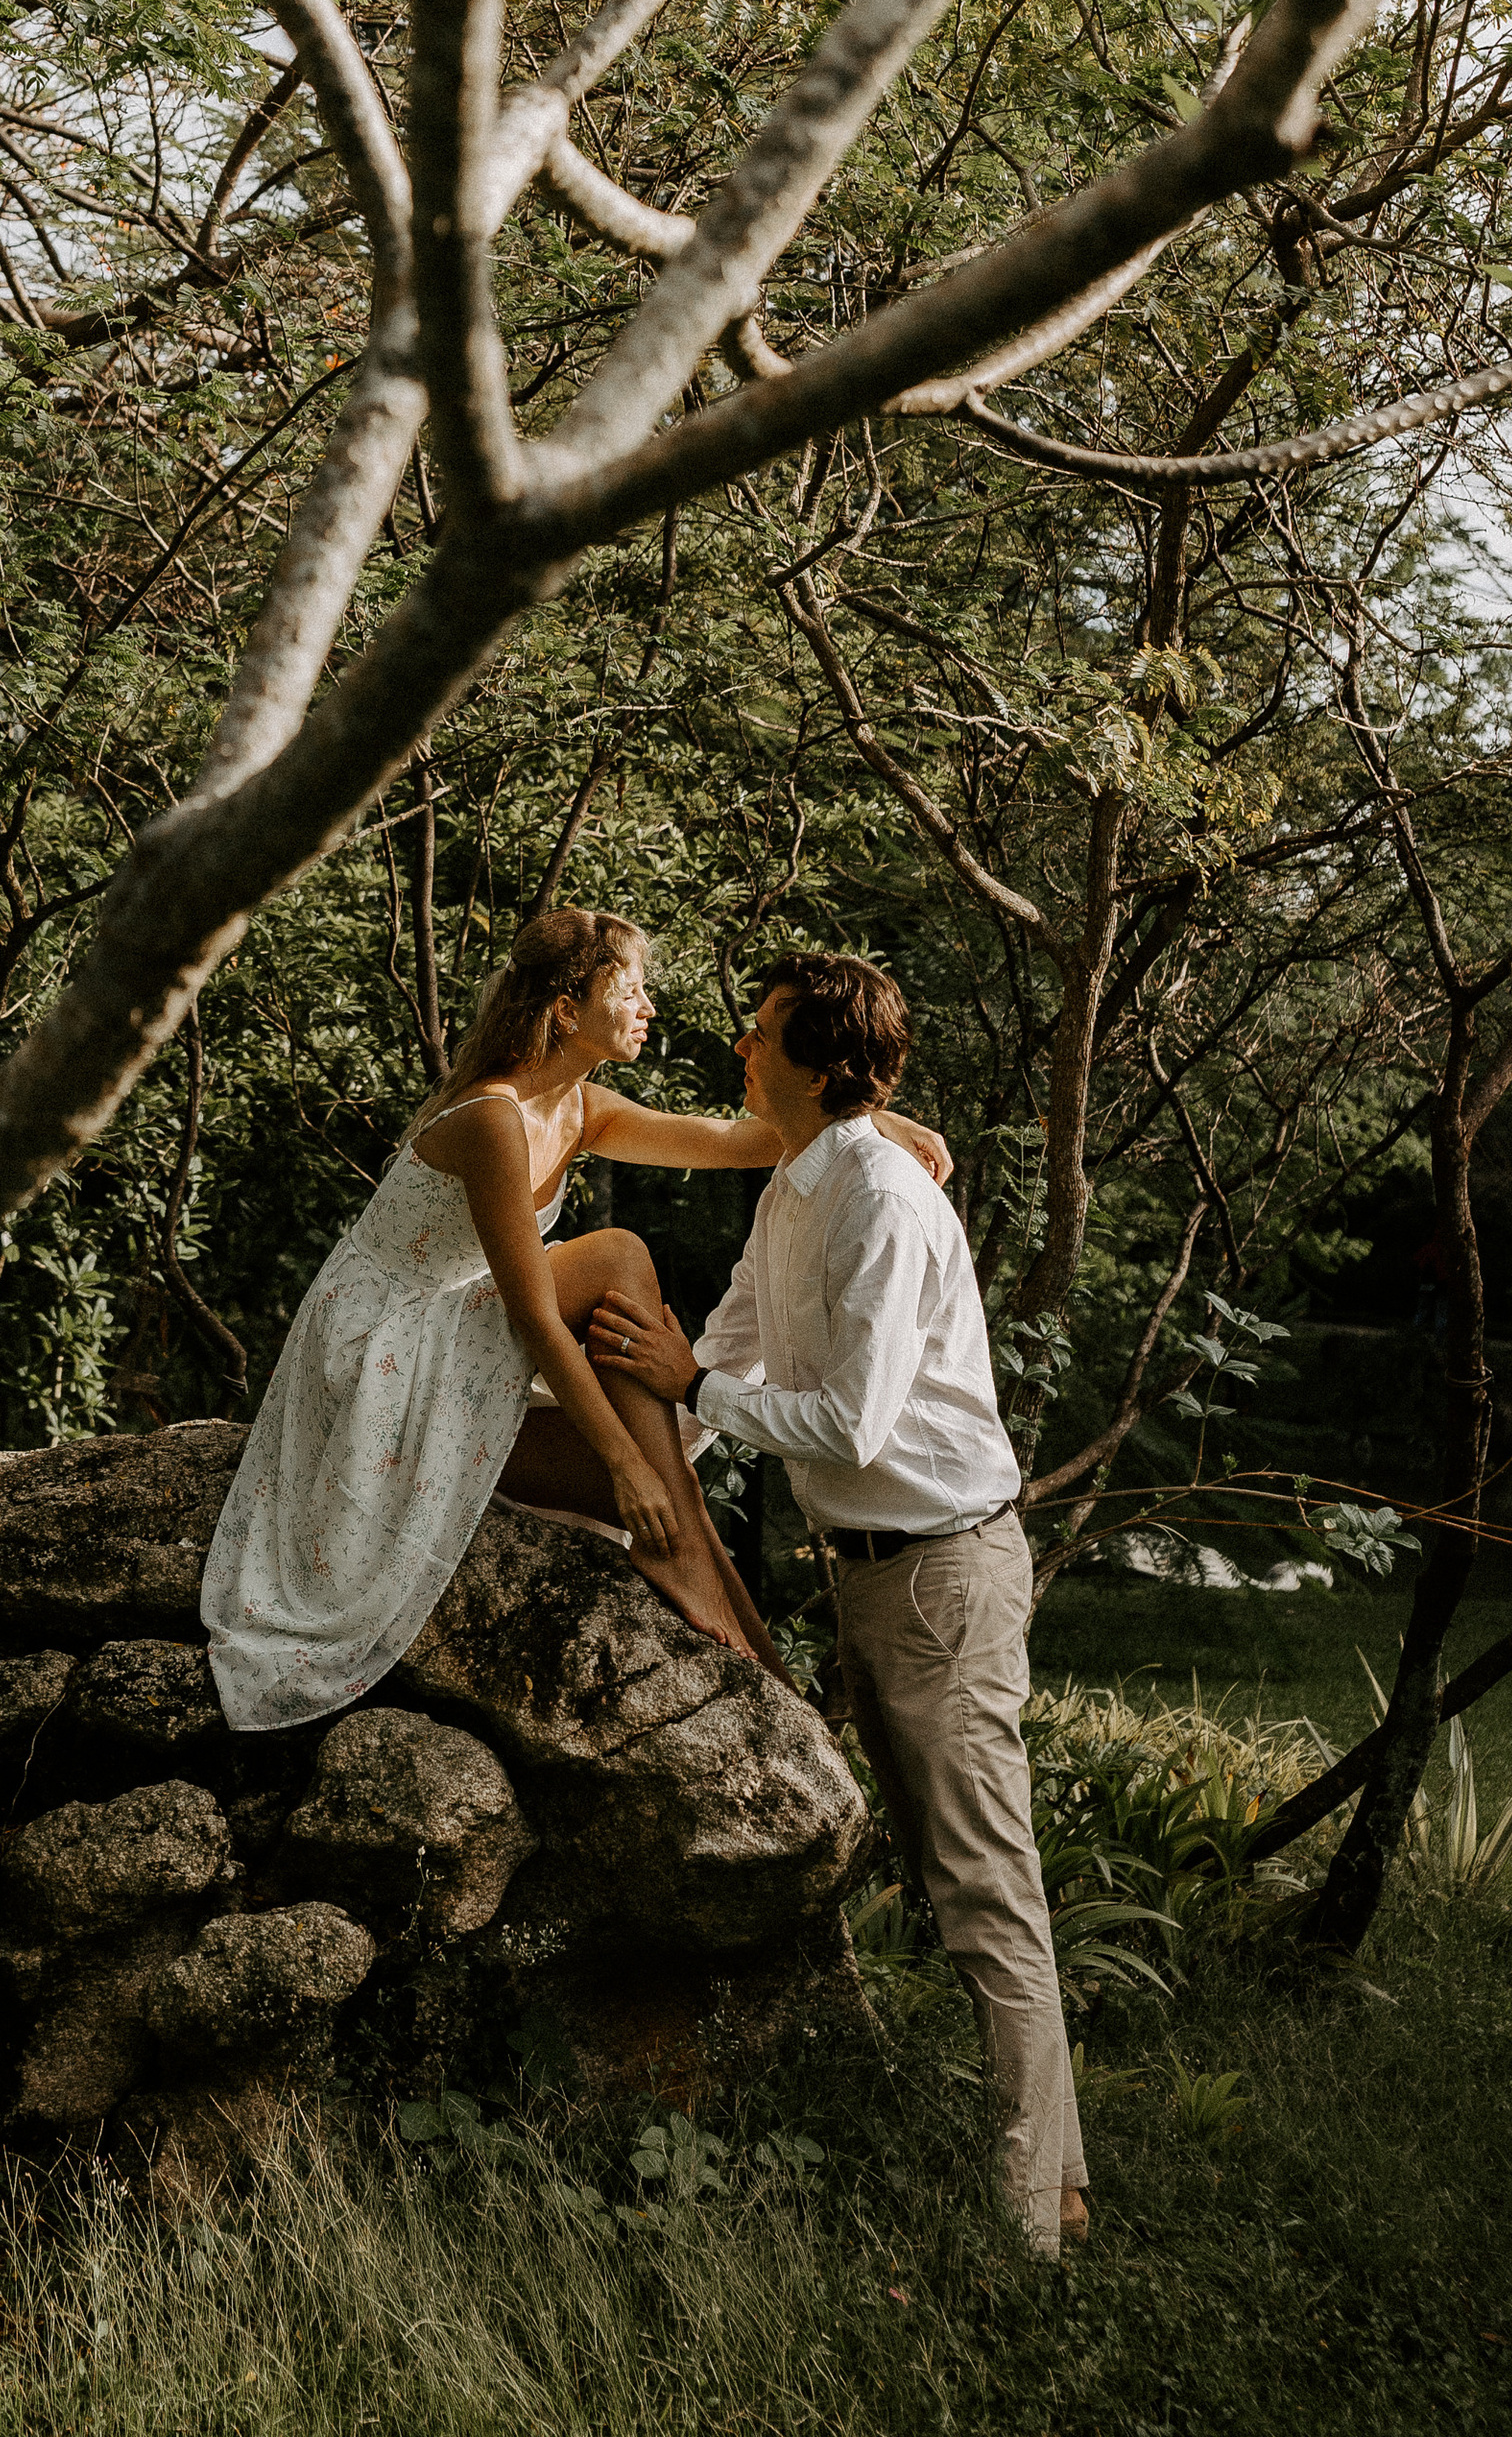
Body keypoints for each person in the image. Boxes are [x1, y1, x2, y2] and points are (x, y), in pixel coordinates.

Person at [585, 949, 1089, 2260]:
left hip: (943, 1573)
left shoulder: (880, 1200)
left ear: (819, 1066)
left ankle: (1031, 2231)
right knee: (941, 1875)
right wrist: (618, 1473)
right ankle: (1055, 2181)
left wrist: (692, 1389)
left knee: (984, 1889)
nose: (739, 1051)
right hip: (867, 1574)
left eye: (760, 1035)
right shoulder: (794, 1188)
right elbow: (724, 1351)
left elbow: (850, 1424)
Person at [201, 907, 953, 1735]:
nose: (648, 1007)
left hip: (451, 1342)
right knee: (619, 1259)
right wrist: (625, 1464)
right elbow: (533, 1314)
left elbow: (735, 1140)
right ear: (567, 1008)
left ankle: (773, 1688)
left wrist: (866, 1113)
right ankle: (680, 1557)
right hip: (381, 1348)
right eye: (629, 991)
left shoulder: (579, 1108)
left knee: (677, 1489)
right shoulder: (492, 1116)